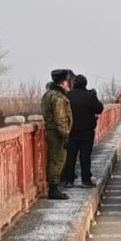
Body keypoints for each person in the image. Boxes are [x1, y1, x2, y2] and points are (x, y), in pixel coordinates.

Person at [63, 74, 104, 188]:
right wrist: (94, 96)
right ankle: (85, 180)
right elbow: (99, 109)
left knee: (71, 156)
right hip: (86, 132)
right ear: (85, 84)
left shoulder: (67, 96)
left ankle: (69, 180)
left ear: (74, 84)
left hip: (71, 131)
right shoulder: (89, 96)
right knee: (85, 157)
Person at [41, 69, 75, 200]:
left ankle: (54, 186)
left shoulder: (48, 94)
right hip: (57, 133)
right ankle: (54, 189)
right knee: (57, 160)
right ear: (64, 82)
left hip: (50, 130)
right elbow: (60, 118)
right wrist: (65, 134)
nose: (69, 85)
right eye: (67, 82)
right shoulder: (59, 98)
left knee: (54, 159)